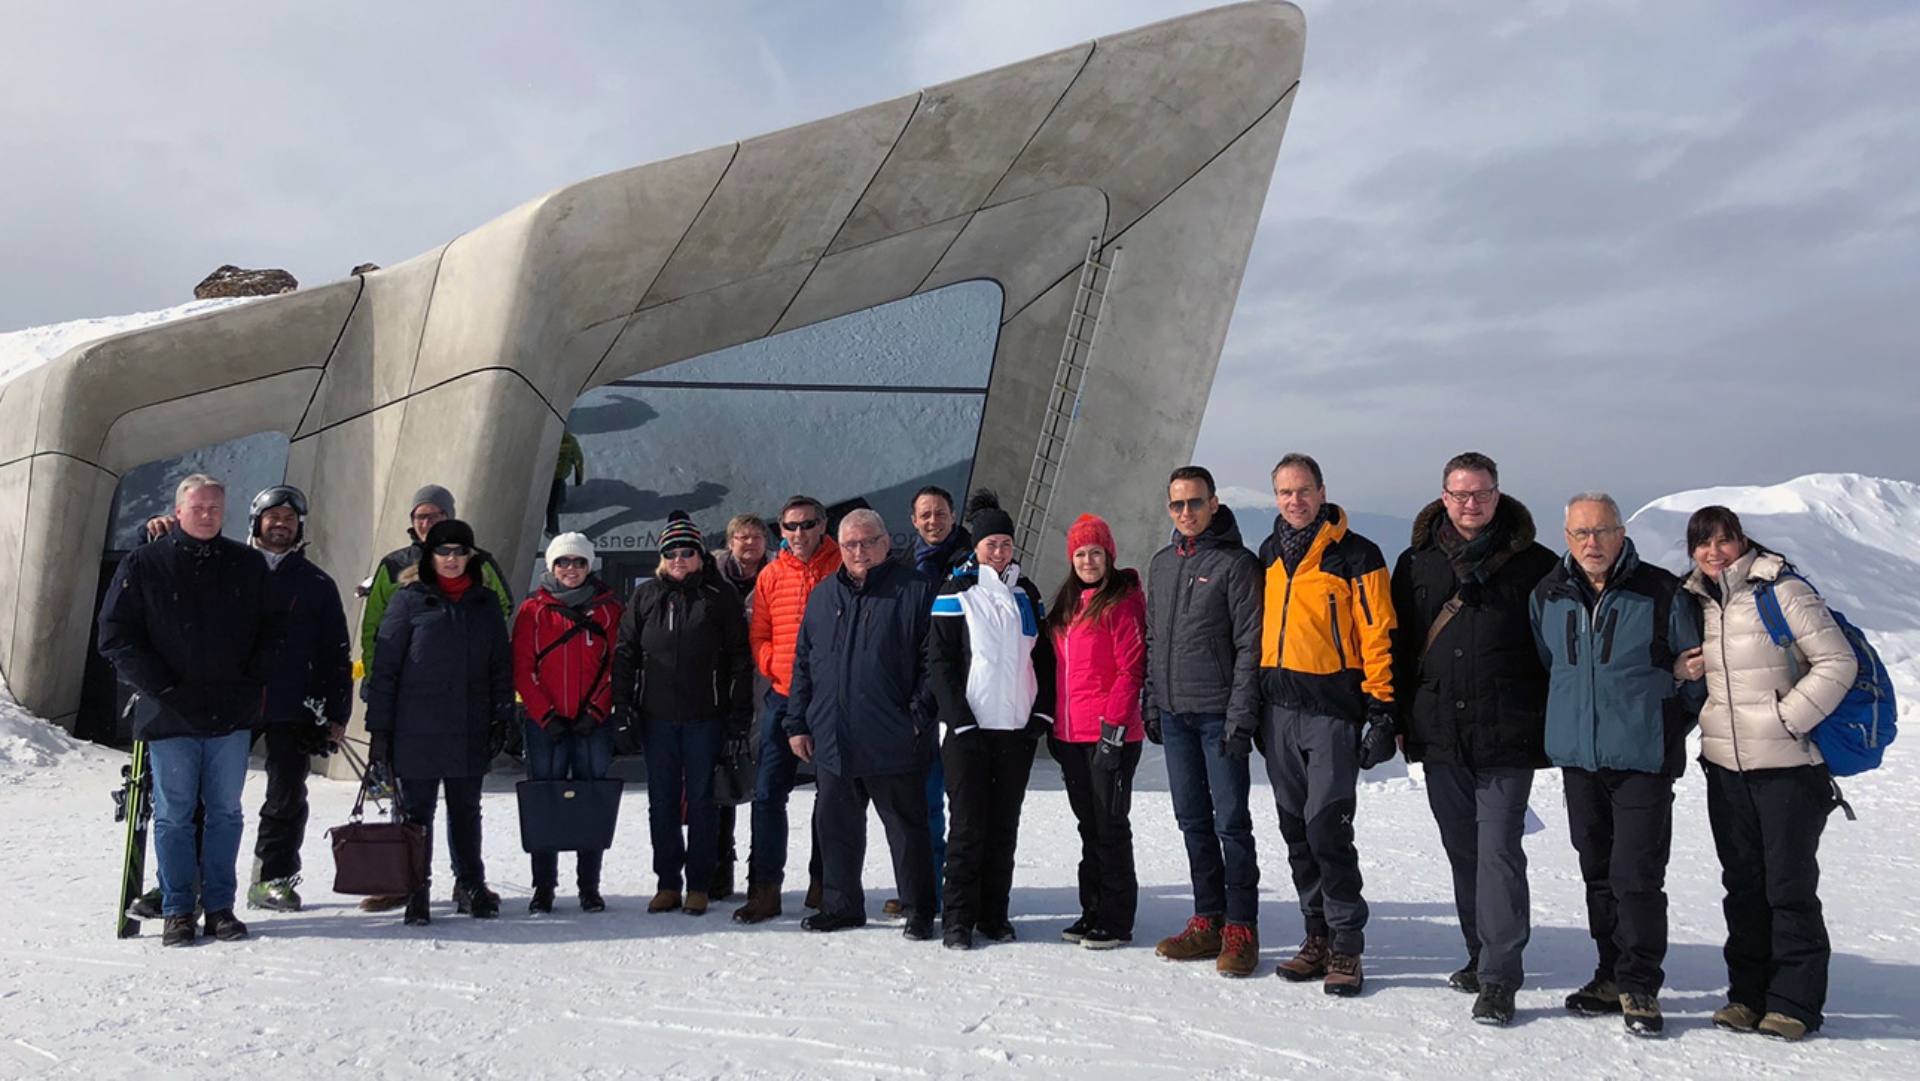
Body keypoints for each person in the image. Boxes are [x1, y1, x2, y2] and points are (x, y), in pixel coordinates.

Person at [1389, 453, 1557, 1024]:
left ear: (1498, 495)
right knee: (1464, 851)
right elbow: (1402, 646)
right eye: (1460, 495)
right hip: (1439, 733)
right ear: (1443, 497)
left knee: (1500, 854)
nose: (1471, 504)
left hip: (1507, 732)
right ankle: (1478, 950)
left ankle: (1499, 977)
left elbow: (1558, 649)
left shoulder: (1537, 565)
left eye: (1481, 494)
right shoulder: (1415, 564)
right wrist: (1396, 721)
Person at [1530, 492, 1703, 1037]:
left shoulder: (1659, 591)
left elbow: (1694, 675)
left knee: (1637, 876)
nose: (1592, 543)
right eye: (1581, 533)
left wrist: (1663, 726)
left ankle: (1640, 984)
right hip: (1580, 761)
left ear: (1621, 533)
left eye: (1602, 531)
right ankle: (1609, 974)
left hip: (1642, 760)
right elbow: (1547, 663)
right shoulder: (1549, 594)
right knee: (1598, 873)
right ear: (1566, 538)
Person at [1679, 505, 1854, 1042]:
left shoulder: (1782, 589)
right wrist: (1682, 671)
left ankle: (1794, 1002)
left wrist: (1788, 720)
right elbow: (1704, 672)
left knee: (1789, 886)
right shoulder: (1699, 601)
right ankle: (1746, 996)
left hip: (1787, 769)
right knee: (1742, 885)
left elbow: (1838, 662)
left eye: (1723, 541)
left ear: (1741, 541)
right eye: (1703, 544)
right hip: (1725, 766)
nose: (1714, 552)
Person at [97, 474, 287, 947]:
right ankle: (179, 909)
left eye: (214, 508)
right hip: (169, 714)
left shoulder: (246, 564)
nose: (206, 514)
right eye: (197, 507)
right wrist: (161, 687)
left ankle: (220, 907)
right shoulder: (145, 563)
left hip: (230, 714)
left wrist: (249, 685)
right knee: (174, 815)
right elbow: (115, 636)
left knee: (225, 813)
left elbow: (274, 630)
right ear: (178, 511)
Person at [1258, 453, 1397, 996]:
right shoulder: (1269, 555)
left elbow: (1379, 633)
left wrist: (1381, 709)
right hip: (1278, 715)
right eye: (1286, 493)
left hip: (1332, 713)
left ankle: (1346, 946)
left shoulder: (1356, 555)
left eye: (1304, 491)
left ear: (1322, 492)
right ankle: (1314, 936)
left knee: (1328, 830)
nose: (1295, 501)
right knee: (1295, 832)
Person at [354, 484, 514, 912]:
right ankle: (415, 888)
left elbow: (501, 663)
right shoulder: (407, 601)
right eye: (443, 551)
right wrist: (380, 729)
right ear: (430, 555)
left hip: (468, 722)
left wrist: (502, 714)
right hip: (417, 726)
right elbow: (385, 664)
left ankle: (470, 884)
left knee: (466, 811)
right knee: (416, 815)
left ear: (468, 556)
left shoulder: (484, 604)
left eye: (458, 551)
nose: (450, 558)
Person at [784, 510, 939, 940]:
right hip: (833, 737)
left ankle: (920, 909)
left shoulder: (917, 590)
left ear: (886, 543)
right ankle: (841, 905)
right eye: (850, 544)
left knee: (907, 830)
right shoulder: (822, 596)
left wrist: (917, 717)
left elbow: (936, 664)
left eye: (868, 542)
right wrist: (798, 722)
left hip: (894, 738)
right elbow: (804, 664)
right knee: (836, 829)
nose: (859, 552)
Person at [1143, 465, 1264, 977]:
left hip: (1218, 716)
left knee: (1231, 824)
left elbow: (1249, 646)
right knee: (1192, 821)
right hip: (1174, 716)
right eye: (1177, 505)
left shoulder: (1237, 564)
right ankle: (1207, 919)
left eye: (1195, 503)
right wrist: (1152, 700)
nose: (1186, 513)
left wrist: (1240, 717)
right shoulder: (1163, 563)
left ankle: (1241, 928)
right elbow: (1152, 640)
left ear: (1214, 503)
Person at [925, 490, 1054, 950]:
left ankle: (994, 915)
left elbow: (1044, 659)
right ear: (977, 547)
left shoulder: (1027, 593)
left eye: (1004, 543)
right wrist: (958, 720)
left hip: (1015, 732)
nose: (998, 552)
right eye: (989, 544)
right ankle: (959, 917)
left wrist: (1040, 715)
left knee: (1004, 828)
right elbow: (939, 662)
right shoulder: (957, 592)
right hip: (968, 732)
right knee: (966, 828)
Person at [613, 512, 754, 917]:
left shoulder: (717, 595)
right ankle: (667, 882)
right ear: (661, 558)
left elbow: (739, 659)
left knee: (703, 801)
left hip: (704, 718)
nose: (679, 559)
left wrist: (737, 714)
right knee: (662, 803)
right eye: (671, 553)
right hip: (656, 717)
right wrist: (622, 706)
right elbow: (625, 653)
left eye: (687, 552)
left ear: (699, 555)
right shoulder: (645, 596)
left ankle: (699, 884)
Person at [243, 486, 354, 912]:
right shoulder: (232, 570)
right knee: (212, 798)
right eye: (274, 516)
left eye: (290, 518)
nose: (282, 523)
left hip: (295, 706)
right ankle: (196, 880)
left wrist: (336, 710)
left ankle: (272, 878)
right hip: (233, 704)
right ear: (257, 521)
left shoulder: (316, 584)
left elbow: (335, 652)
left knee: (286, 798)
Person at [734, 495, 841, 924]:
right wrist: (772, 664)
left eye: (807, 524)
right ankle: (765, 888)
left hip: (831, 698)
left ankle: (824, 883)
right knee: (767, 795)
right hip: (782, 696)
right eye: (790, 526)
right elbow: (759, 632)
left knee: (831, 797)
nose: (799, 533)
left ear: (822, 525)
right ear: (780, 531)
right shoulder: (771, 575)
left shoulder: (842, 567)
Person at [1045, 513, 1147, 950]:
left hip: (1110, 735)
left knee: (1110, 825)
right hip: (1071, 736)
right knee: (1089, 826)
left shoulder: (1122, 601)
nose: (1088, 560)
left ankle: (1117, 918)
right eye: (1081, 553)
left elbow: (1131, 669)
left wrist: (1114, 731)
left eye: (1096, 553)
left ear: (1110, 555)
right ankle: (1093, 910)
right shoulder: (1069, 602)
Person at [512, 531, 624, 914]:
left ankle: (588, 885)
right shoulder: (533, 611)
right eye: (563, 562)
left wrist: (596, 710)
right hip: (547, 725)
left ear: (589, 565)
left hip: (593, 723)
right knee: (545, 802)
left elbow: (615, 666)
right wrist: (546, 715)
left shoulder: (610, 610)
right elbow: (524, 669)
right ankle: (543, 885)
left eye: (578, 562)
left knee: (591, 801)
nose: (570, 569)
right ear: (551, 566)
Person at [884, 485, 974, 920]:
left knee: (966, 802)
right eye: (925, 514)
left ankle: (962, 890)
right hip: (918, 700)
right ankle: (925, 888)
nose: (933, 521)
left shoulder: (974, 564)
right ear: (914, 520)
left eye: (940, 512)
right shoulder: (901, 568)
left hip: (965, 697)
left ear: (953, 515)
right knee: (923, 801)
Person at [709, 512, 772, 901]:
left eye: (756, 537)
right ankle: (720, 867)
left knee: (764, 785)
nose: (749, 544)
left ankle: (760, 871)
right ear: (730, 542)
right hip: (721, 689)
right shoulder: (712, 579)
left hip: (765, 686)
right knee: (722, 782)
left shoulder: (778, 575)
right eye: (742, 538)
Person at [547, 429, 585, 537]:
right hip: (559, 474)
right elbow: (579, 460)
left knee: (550, 503)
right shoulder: (570, 440)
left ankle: (551, 530)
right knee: (554, 501)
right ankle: (552, 530)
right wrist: (578, 478)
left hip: (544, 474)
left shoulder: (543, 439)